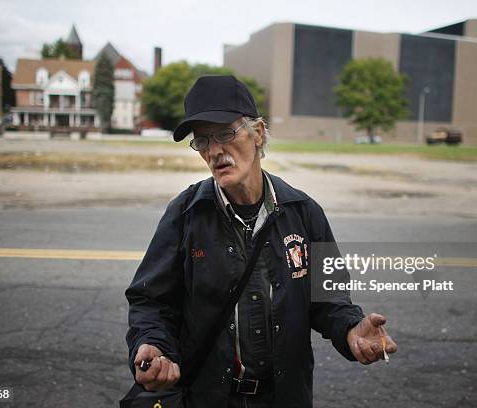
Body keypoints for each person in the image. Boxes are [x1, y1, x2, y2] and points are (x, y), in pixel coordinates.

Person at [125, 75, 397, 408]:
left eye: (225, 133)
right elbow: (150, 300)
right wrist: (150, 343)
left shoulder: (304, 212)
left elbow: (330, 299)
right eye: (202, 141)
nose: (214, 151)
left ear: (259, 133)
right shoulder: (184, 214)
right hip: (208, 398)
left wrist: (352, 330)